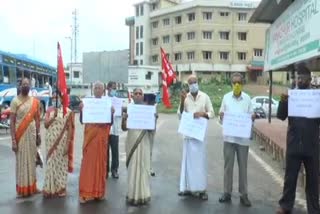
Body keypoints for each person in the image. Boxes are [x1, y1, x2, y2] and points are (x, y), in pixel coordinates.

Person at [276, 64, 320, 214]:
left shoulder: (316, 97)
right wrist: (283, 101)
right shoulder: (291, 96)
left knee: (313, 181)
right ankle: (286, 206)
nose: (299, 80)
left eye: (303, 78)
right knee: (290, 178)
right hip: (294, 145)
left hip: (312, 147)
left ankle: (314, 209)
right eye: (298, 78)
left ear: (309, 79)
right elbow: (281, 116)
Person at [218, 72, 254, 207]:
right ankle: (226, 192)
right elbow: (221, 117)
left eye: (239, 82)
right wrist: (221, 116)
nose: (237, 85)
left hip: (243, 140)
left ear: (242, 84)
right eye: (234, 83)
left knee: (243, 168)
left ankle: (244, 195)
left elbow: (251, 115)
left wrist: (252, 117)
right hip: (229, 138)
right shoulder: (226, 98)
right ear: (231, 84)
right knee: (228, 167)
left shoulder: (248, 99)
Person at [178, 75, 214, 200]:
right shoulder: (185, 98)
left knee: (200, 163)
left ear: (198, 83)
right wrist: (182, 101)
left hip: (200, 136)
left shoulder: (204, 96)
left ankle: (202, 189)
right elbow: (180, 115)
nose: (193, 84)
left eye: (195, 82)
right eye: (190, 83)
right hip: (188, 135)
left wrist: (203, 114)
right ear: (188, 85)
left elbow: (212, 113)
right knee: (188, 163)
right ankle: (188, 188)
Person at [78, 81, 113, 203]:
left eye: (100, 88)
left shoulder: (107, 103)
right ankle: (85, 193)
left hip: (101, 140)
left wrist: (111, 113)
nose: (98, 90)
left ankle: (99, 193)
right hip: (90, 139)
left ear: (103, 91)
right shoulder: (87, 103)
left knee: (100, 165)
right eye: (96, 88)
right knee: (88, 165)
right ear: (93, 90)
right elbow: (82, 120)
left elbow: (109, 123)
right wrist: (81, 110)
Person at [122, 88, 155, 206]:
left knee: (143, 166)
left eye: (140, 93)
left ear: (143, 96)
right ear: (132, 96)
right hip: (131, 141)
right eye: (135, 93)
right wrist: (124, 118)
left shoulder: (148, 110)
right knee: (133, 168)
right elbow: (124, 128)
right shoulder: (129, 109)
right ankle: (132, 195)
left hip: (144, 141)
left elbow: (151, 129)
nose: (137, 95)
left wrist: (153, 119)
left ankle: (143, 195)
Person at [10, 78, 41, 197]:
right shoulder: (15, 101)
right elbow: (12, 122)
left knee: (32, 161)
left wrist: (38, 134)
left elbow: (37, 119)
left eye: (28, 84)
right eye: (24, 84)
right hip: (20, 135)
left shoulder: (34, 101)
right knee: (22, 161)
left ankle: (33, 186)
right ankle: (23, 189)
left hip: (32, 135)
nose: (26, 86)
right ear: (20, 86)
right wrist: (13, 140)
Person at [42, 92, 75, 198]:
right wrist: (53, 117)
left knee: (61, 164)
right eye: (53, 98)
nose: (54, 99)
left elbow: (70, 129)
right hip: (50, 141)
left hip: (62, 142)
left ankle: (61, 187)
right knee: (51, 163)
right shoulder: (49, 110)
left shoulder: (68, 111)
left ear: (61, 99)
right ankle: (49, 187)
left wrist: (67, 144)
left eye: (56, 97)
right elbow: (46, 125)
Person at [106, 81, 120, 179]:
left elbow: (119, 114)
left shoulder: (118, 100)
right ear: (108, 88)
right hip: (105, 130)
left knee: (115, 151)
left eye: (115, 88)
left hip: (115, 130)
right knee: (105, 151)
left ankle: (114, 170)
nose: (114, 90)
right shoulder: (104, 100)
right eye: (112, 88)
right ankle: (105, 170)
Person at [145, 94, 158, 177]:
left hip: (151, 133)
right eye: (152, 102)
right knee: (143, 151)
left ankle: (149, 168)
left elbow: (154, 120)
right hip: (143, 133)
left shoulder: (154, 108)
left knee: (149, 151)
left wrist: (155, 117)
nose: (154, 103)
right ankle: (144, 168)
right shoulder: (143, 108)